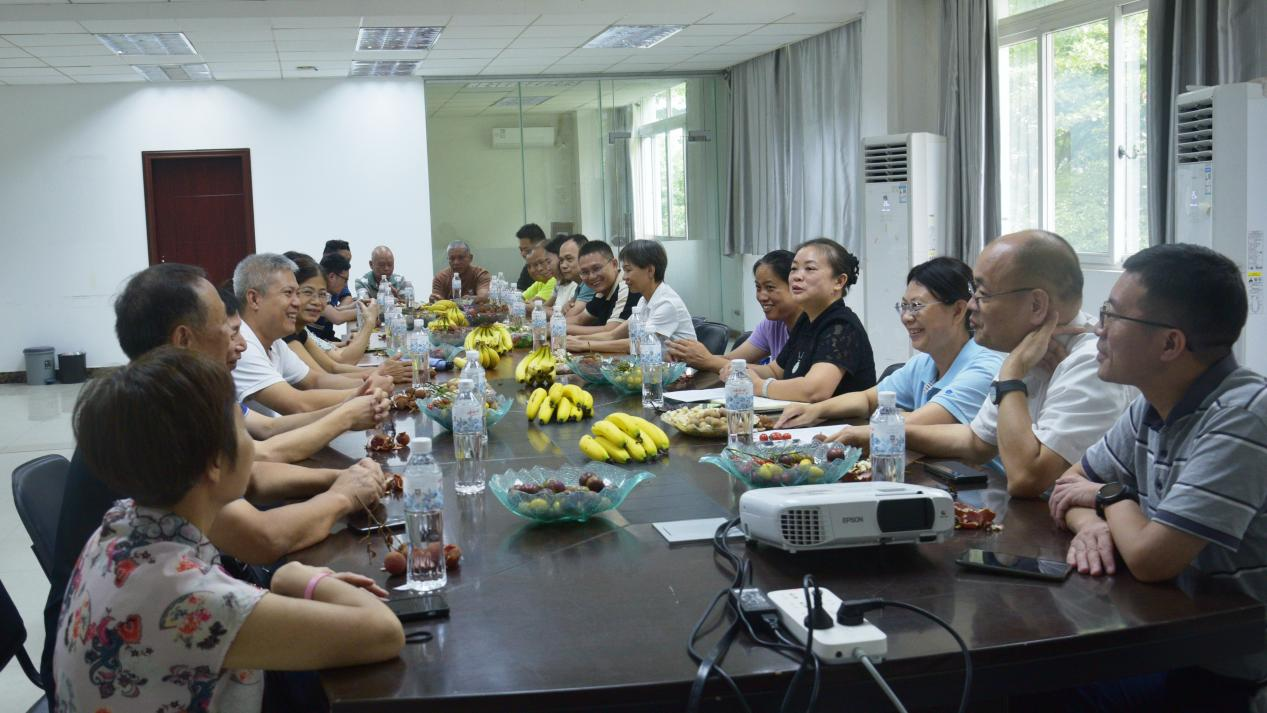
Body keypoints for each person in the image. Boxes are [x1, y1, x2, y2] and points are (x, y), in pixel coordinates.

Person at [41, 263, 393, 699]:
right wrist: (299, 571)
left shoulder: (146, 435)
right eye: (226, 328)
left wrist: (340, 479)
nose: (237, 340)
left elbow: (257, 468)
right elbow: (379, 631)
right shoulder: (191, 599)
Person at [1029, 244, 1267, 712]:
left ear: (1170, 344)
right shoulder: (1152, 405)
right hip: (1175, 643)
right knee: (1032, 681)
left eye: (1112, 316)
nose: (1098, 330)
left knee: (1039, 689)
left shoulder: (1243, 416)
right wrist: (1093, 524)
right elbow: (1067, 485)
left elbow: (1150, 559)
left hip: (1234, 673)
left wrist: (1109, 496)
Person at [849, 230, 1135, 497]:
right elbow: (976, 441)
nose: (971, 305)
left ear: (1036, 305)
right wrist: (880, 434)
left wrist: (1012, 372)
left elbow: (1027, 478)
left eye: (983, 295)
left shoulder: (1090, 363)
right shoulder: (1027, 348)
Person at [777, 257, 1004, 440]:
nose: (906, 317)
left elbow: (922, 421)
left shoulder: (985, 368)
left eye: (916, 306)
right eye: (904, 306)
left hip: (984, 482)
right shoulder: (923, 364)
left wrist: (856, 433)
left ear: (958, 310)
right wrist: (816, 410)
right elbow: (868, 400)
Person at [233, 253, 391, 416]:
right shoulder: (243, 346)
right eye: (288, 293)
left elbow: (315, 380)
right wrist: (367, 389)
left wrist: (370, 382)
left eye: (297, 293)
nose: (297, 302)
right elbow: (298, 404)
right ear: (254, 299)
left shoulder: (274, 341)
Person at [723, 238, 875, 402]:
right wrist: (740, 371)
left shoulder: (842, 325)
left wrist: (760, 386)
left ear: (839, 281)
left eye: (809, 269)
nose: (796, 276)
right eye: (794, 268)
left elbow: (815, 390)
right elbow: (776, 371)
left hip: (841, 419)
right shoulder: (806, 320)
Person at [285, 253, 412, 383]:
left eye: (322, 294)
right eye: (307, 292)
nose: (317, 301)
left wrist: (381, 371)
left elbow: (333, 368)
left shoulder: (300, 331)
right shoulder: (285, 335)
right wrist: (369, 322)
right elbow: (319, 381)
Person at [668, 249, 798, 371]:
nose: (761, 296)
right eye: (758, 288)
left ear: (796, 287)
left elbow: (775, 374)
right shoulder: (772, 325)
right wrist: (690, 356)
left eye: (770, 287)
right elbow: (731, 360)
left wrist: (708, 360)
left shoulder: (808, 330)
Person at [565, 239, 695, 353]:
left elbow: (639, 344)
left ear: (650, 270)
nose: (624, 277)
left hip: (685, 372)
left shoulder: (666, 303)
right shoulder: (644, 301)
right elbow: (612, 335)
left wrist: (585, 345)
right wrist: (574, 340)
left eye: (628, 270)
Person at [565, 240, 640, 337]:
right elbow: (580, 319)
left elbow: (611, 331)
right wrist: (554, 324)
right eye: (585, 272)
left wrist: (561, 328)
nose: (591, 277)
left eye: (596, 268)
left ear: (614, 264)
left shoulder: (626, 285)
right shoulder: (601, 290)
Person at [310, 251, 357, 341]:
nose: (345, 285)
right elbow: (337, 318)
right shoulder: (318, 293)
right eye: (345, 280)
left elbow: (334, 310)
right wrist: (366, 312)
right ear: (331, 276)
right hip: (318, 343)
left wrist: (356, 305)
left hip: (325, 340)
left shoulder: (326, 292)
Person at [552, 233, 591, 312]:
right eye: (561, 260)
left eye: (569, 259)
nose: (563, 266)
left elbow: (571, 316)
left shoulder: (590, 283)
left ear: (584, 257)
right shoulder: (580, 286)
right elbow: (564, 312)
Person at [516, 223, 546, 290]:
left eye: (527, 250)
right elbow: (519, 289)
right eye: (521, 250)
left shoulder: (552, 271)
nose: (523, 254)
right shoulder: (528, 267)